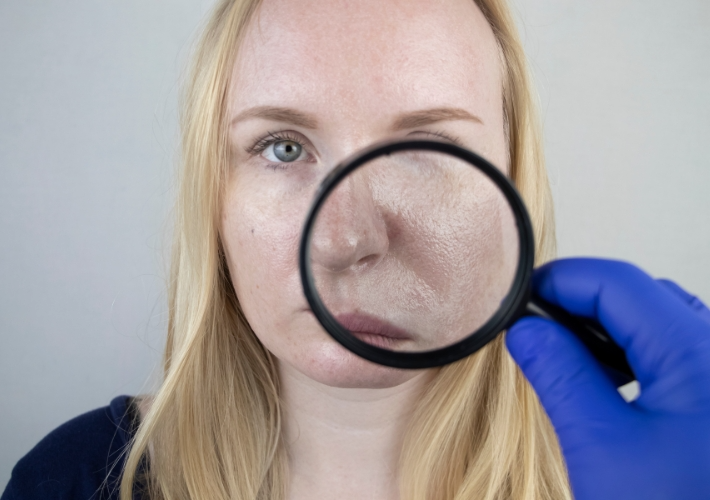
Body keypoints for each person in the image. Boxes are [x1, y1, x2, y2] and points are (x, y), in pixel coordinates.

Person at [3, 1, 709, 499]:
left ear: (513, 186)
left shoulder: (633, 481)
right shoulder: (74, 481)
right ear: (212, 196)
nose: (348, 241)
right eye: (282, 148)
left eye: (428, 150)